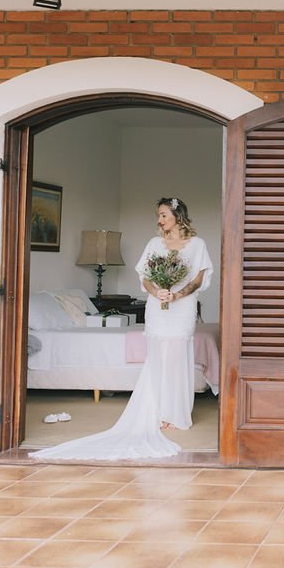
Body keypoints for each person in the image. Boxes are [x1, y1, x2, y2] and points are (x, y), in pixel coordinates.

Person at [30, 197, 213, 460]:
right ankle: (158, 413)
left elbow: (198, 278)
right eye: (158, 215)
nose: (159, 220)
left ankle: (177, 414)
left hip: (182, 308)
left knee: (177, 357)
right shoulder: (154, 244)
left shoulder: (197, 245)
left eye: (163, 215)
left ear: (177, 215)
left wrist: (178, 294)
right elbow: (145, 277)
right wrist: (158, 292)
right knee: (158, 358)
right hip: (157, 308)